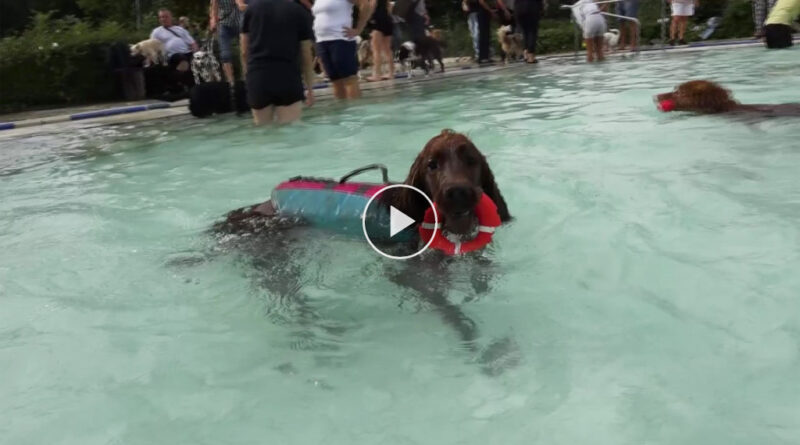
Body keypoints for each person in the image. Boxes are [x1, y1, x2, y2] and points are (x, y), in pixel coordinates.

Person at [240, 0, 316, 125]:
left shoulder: (252, 8)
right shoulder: (298, 10)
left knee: (263, 133)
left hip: (259, 77)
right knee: (291, 130)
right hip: (288, 76)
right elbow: (306, 54)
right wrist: (310, 89)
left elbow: (244, 51)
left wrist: (248, 77)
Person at [312, 0, 375, 99]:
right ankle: (343, 112)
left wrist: (359, 28)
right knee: (335, 80)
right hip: (322, 41)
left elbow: (365, 4)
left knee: (349, 79)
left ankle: (356, 111)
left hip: (341, 39)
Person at [150, 9, 198, 91]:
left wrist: (197, 53)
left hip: (187, 53)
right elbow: (152, 46)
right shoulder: (157, 32)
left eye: (165, 17)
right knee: (180, 58)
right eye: (161, 17)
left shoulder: (180, 29)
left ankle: (182, 82)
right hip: (171, 55)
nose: (163, 19)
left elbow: (192, 43)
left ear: (171, 17)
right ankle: (178, 81)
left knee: (199, 59)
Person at [210, 0, 244, 84]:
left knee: (245, 51)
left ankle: (246, 76)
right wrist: (213, 21)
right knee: (225, 55)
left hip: (239, 24)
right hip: (224, 25)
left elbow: (241, 4)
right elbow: (214, 9)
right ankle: (230, 82)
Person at [368, 0, 395, 81]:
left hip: (378, 21)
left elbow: (371, 8)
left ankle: (377, 75)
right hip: (388, 21)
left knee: (376, 50)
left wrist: (368, 18)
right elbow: (390, 8)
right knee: (387, 49)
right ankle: (391, 73)